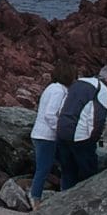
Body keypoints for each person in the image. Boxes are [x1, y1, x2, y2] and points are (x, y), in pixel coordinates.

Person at [54, 66, 107, 192]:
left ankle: (63, 202)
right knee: (88, 175)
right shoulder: (101, 89)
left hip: (62, 132)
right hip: (80, 136)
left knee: (67, 172)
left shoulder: (79, 82)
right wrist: (93, 140)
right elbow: (98, 118)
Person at [27, 77, 69, 205]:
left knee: (54, 165)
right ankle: (35, 197)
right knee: (44, 168)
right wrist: (60, 129)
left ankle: (37, 195)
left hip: (39, 133)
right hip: (47, 136)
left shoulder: (52, 87)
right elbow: (50, 114)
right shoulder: (59, 91)